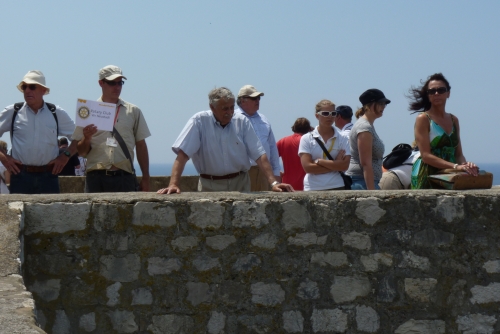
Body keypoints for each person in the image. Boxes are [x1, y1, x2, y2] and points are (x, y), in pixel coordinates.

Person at [157, 87, 294, 194]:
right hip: (209, 185)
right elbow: (183, 154)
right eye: (224, 109)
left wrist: (274, 183)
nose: (230, 112)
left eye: (232, 107)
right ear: (212, 107)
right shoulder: (199, 121)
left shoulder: (242, 121)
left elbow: (259, 154)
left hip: (240, 184)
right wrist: (173, 184)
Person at [73, 65, 151, 193]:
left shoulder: (133, 111)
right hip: (96, 178)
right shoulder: (87, 111)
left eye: (120, 83)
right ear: (101, 83)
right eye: (112, 83)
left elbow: (141, 145)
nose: (117, 87)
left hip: (124, 177)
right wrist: (87, 138)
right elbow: (81, 152)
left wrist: (146, 178)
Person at [0, 70, 77, 194]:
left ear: (43, 91)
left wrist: (65, 156)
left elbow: (78, 138)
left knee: (51, 213)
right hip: (20, 176)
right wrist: (4, 158)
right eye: (24, 87)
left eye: (32, 86)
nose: (27, 90)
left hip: (49, 176)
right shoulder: (13, 111)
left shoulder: (56, 113)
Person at [409, 73, 478, 189]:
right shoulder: (423, 119)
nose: (436, 93)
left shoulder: (454, 120)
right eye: (432, 91)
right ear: (428, 96)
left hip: (449, 175)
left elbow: (458, 154)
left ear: (448, 93)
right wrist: (456, 166)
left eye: (441, 90)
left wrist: (466, 166)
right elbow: (425, 155)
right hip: (427, 175)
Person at [235, 85, 280, 191]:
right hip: (243, 173)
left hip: (264, 173)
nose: (258, 101)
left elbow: (272, 147)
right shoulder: (234, 118)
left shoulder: (263, 119)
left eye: (258, 98)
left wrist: (276, 174)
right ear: (242, 100)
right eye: (254, 98)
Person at [299, 100, 350, 191]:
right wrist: (335, 164)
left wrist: (319, 162)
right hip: (312, 187)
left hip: (336, 185)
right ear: (317, 116)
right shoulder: (306, 138)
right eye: (325, 113)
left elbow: (345, 166)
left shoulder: (343, 138)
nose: (330, 116)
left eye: (333, 113)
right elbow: (308, 168)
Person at [346, 89, 391, 190]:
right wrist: (371, 192)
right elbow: (365, 163)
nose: (384, 106)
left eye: (384, 104)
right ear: (370, 105)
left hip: (365, 181)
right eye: (380, 103)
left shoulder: (367, 125)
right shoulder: (364, 127)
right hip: (362, 182)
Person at [277, 118, 312, 191]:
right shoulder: (308, 142)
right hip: (306, 183)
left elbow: (270, 157)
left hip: (287, 184)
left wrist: (277, 171)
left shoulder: (283, 141)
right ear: (308, 129)